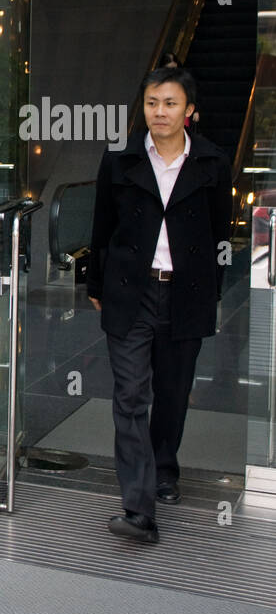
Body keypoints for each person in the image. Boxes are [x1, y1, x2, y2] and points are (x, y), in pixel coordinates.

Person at [87, 65, 230, 543]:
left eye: (170, 104)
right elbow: (101, 228)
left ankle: (165, 469)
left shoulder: (211, 163)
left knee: (172, 391)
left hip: (185, 294)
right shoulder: (120, 160)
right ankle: (138, 506)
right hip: (131, 291)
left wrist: (211, 291)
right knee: (129, 396)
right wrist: (96, 284)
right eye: (152, 103)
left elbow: (219, 233)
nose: (160, 112)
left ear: (189, 110)